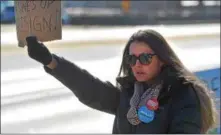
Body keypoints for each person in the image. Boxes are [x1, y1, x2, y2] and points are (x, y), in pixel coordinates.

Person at [25, 29, 218, 134]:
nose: (137, 64)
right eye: (131, 59)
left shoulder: (182, 94)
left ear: (162, 59)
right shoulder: (130, 94)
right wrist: (50, 61)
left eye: (145, 58)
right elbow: (91, 89)